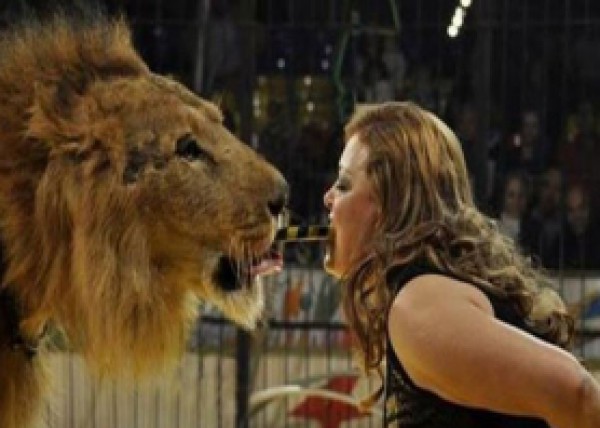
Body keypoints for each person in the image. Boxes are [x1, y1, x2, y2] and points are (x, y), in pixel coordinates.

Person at [321, 101, 600, 427]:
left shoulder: (418, 304)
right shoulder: (431, 290)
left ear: (388, 204)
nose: (328, 198)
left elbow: (578, 394)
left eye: (343, 184)